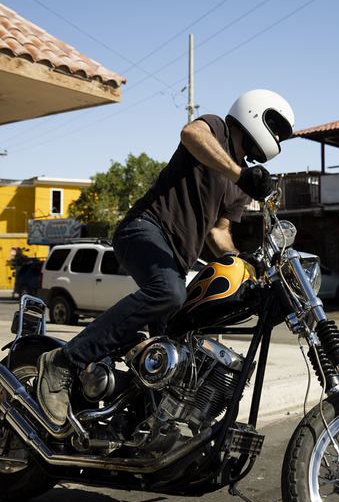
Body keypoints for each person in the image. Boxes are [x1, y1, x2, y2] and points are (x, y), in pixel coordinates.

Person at [37, 89, 295, 426]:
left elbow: (217, 233)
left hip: (177, 259)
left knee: (174, 354)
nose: (276, 137)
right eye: (275, 127)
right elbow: (191, 135)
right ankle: (62, 362)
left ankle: (135, 431)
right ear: (254, 114)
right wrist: (240, 174)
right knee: (168, 291)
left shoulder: (240, 185)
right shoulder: (216, 129)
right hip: (142, 229)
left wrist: (241, 261)